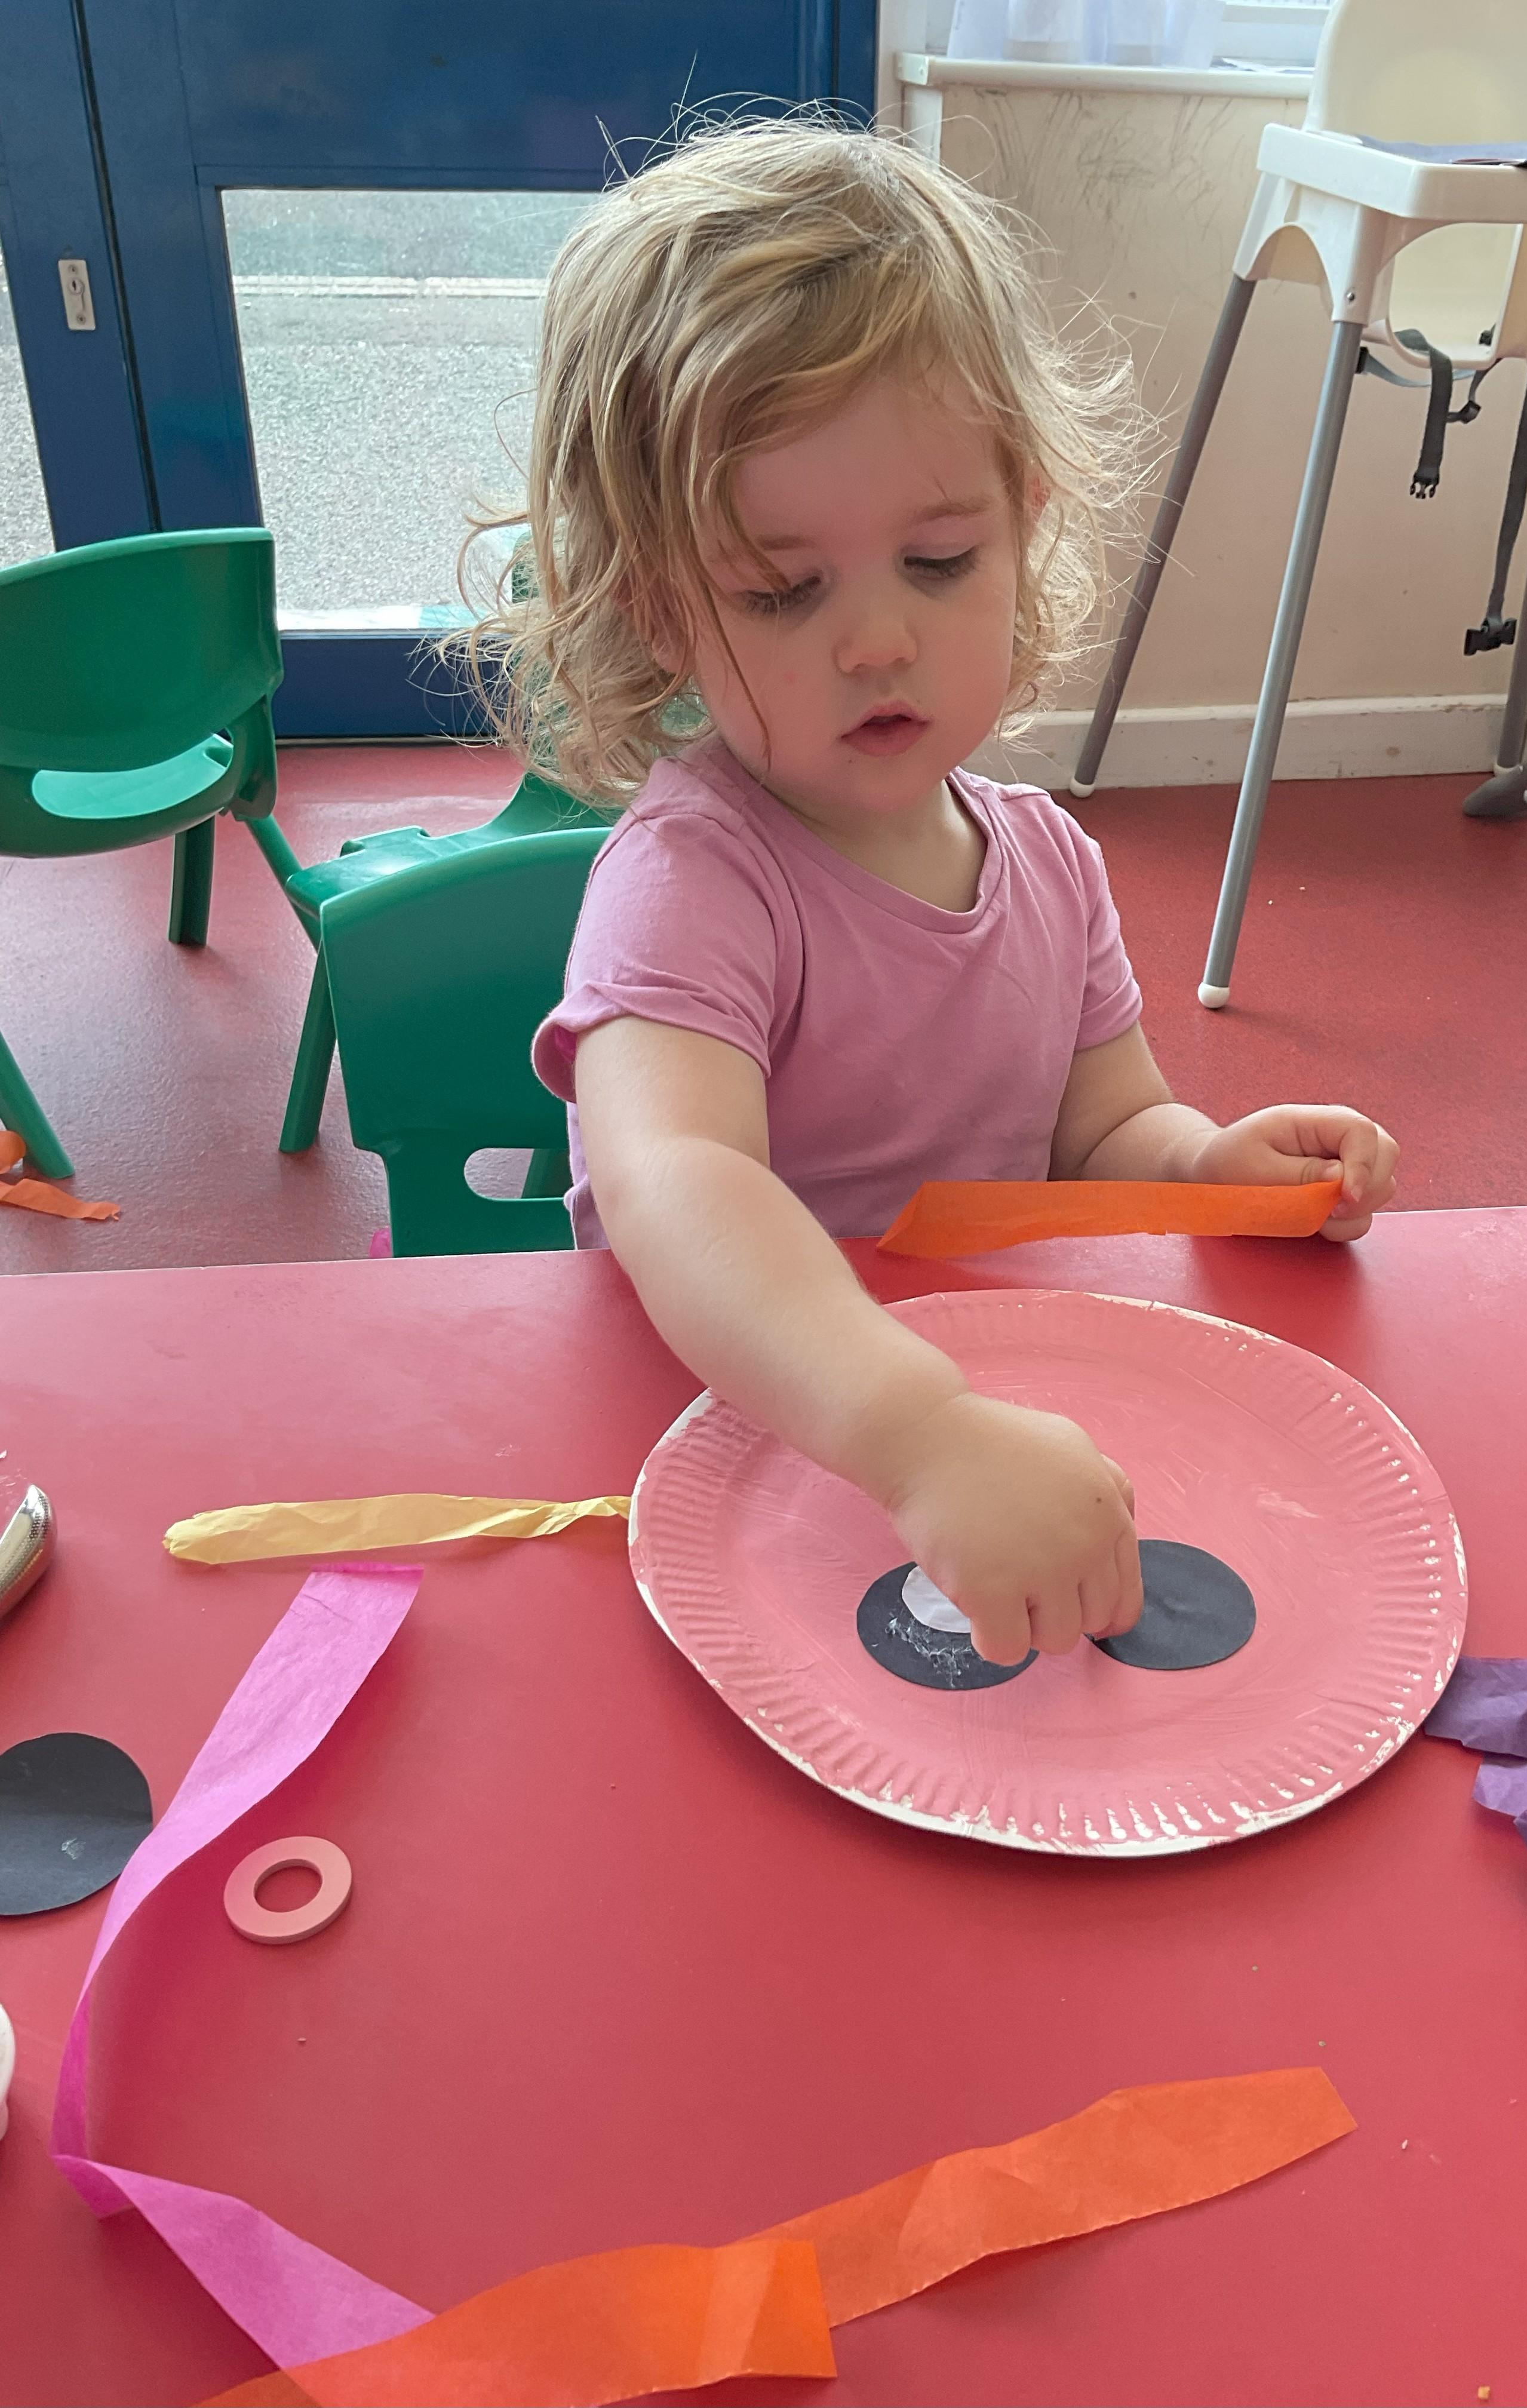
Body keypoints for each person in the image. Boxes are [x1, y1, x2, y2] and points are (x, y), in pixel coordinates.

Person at [470, 116, 1399, 1669]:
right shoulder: (694, 881)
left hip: (978, 1451)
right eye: (783, 590)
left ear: (1022, 520)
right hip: (721, 1460)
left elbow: (1100, 1132)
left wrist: (1207, 1166)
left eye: (941, 560)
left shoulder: (1049, 860)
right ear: (659, 607)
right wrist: (917, 1432)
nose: (878, 641)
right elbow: (675, 1186)